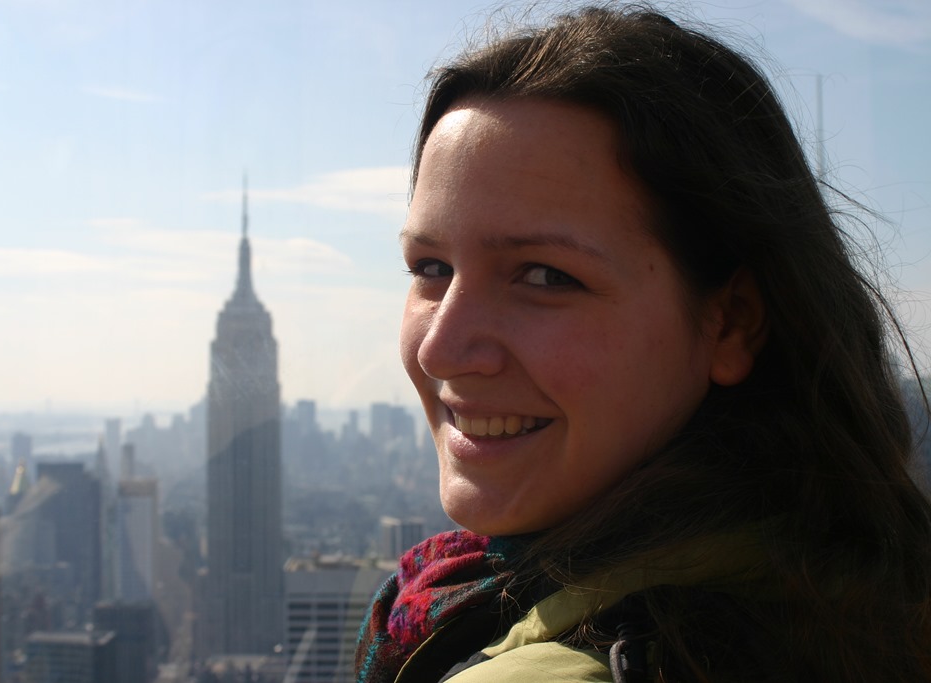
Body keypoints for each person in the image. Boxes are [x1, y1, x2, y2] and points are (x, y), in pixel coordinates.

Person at [356, 4, 931, 682]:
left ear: (731, 321)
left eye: (545, 276)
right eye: (430, 267)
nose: (441, 348)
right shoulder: (852, 582)